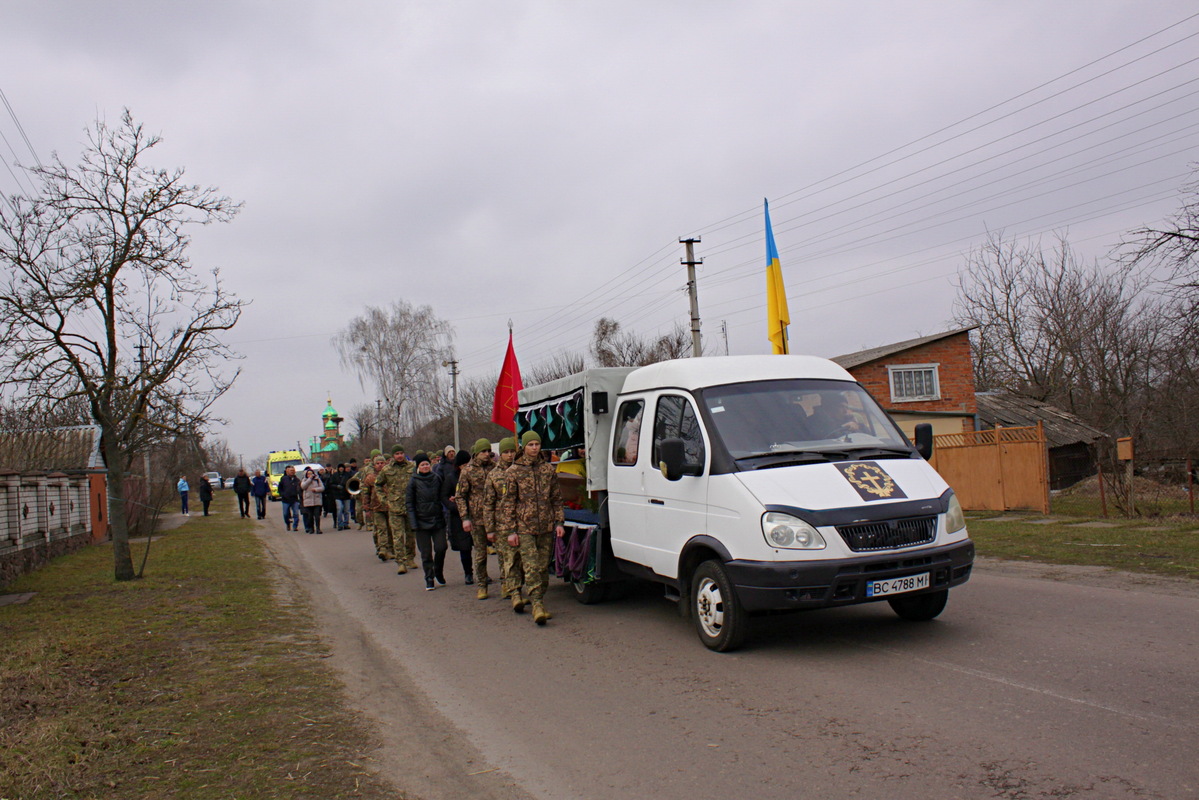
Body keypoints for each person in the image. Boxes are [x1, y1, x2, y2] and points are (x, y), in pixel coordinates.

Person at [502, 431, 564, 625]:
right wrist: (511, 530)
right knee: (531, 566)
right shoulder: (513, 471)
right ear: (524, 447)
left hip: (545, 526)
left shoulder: (547, 469)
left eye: (537, 444)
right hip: (524, 527)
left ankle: (540, 597)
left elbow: (556, 498)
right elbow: (508, 503)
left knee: (543, 566)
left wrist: (559, 522)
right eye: (531, 445)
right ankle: (537, 604)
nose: (534, 448)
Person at [483, 437, 524, 611]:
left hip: (521, 521)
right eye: (506, 452)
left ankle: (517, 588)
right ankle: (508, 587)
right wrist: (490, 528)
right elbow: (488, 503)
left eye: (511, 452)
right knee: (507, 558)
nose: (509, 455)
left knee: (521, 558)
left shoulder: (521, 470)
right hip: (502, 523)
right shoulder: (494, 474)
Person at [455, 438, 495, 600]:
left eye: (488, 451)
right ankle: (482, 585)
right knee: (480, 553)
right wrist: (465, 517)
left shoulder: (495, 468)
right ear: (476, 453)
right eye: (483, 452)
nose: (486, 454)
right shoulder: (468, 471)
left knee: (504, 552)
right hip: (477, 518)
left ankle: (508, 585)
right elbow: (460, 496)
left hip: (496, 517)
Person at [407, 453, 447, 590]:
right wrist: (414, 523)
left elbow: (443, 496)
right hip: (421, 522)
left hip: (437, 520)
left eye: (427, 464)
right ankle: (429, 578)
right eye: (422, 465)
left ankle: (438, 571)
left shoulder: (437, 478)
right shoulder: (413, 481)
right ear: (418, 467)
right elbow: (410, 504)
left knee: (441, 548)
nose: (425, 467)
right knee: (426, 553)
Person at [375, 445, 416, 574]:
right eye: (397, 453)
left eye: (401, 453)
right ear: (393, 455)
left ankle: (410, 558)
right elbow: (378, 485)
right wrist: (384, 500)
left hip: (410, 506)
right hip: (394, 507)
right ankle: (401, 562)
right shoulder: (387, 470)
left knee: (410, 535)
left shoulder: (411, 467)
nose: (399, 456)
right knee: (397, 536)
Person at [440, 449, 473, 584]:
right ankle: (468, 573)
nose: (466, 467)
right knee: (464, 547)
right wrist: (454, 507)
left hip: (475, 514)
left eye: (468, 464)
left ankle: (483, 573)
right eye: (463, 464)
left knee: (480, 546)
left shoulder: (474, 475)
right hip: (458, 516)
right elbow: (444, 496)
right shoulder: (451, 477)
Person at [301, 467, 325, 534]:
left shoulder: (317, 479)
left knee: (317, 515)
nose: (310, 475)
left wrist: (316, 489)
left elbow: (322, 488)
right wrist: (309, 479)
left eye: (311, 473)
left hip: (317, 499)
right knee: (310, 516)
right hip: (308, 500)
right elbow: (303, 487)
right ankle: (311, 528)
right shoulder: (304, 480)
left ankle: (318, 528)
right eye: (308, 474)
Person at [278, 465, 302, 531]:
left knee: (296, 514)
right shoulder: (284, 479)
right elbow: (280, 488)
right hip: (285, 500)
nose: (292, 472)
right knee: (285, 514)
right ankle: (288, 524)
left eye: (293, 471)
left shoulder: (297, 480)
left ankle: (295, 526)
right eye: (291, 471)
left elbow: (300, 489)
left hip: (294, 499)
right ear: (287, 471)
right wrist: (282, 494)